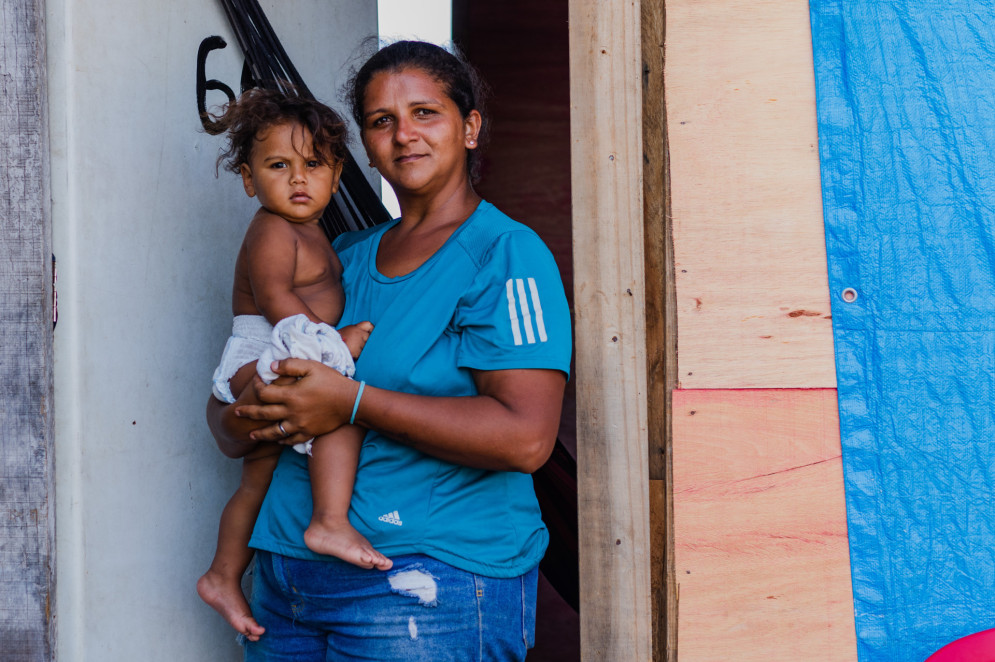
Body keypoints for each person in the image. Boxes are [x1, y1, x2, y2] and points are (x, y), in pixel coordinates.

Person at [207, 40, 572, 661]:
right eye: (382, 121)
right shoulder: (340, 257)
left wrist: (349, 402)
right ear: (365, 146)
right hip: (286, 586)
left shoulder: (507, 255)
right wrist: (260, 403)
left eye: (425, 113)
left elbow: (526, 439)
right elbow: (228, 428)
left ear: (471, 127)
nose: (404, 135)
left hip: (431, 583)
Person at [197, 88, 392, 644]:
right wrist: (335, 346)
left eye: (313, 165)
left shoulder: (319, 234)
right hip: (269, 345)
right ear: (249, 179)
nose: (298, 179)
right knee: (343, 408)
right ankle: (328, 522)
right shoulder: (273, 230)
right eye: (279, 166)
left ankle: (221, 574)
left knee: (256, 478)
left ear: (337, 175)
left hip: (280, 343)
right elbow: (277, 297)